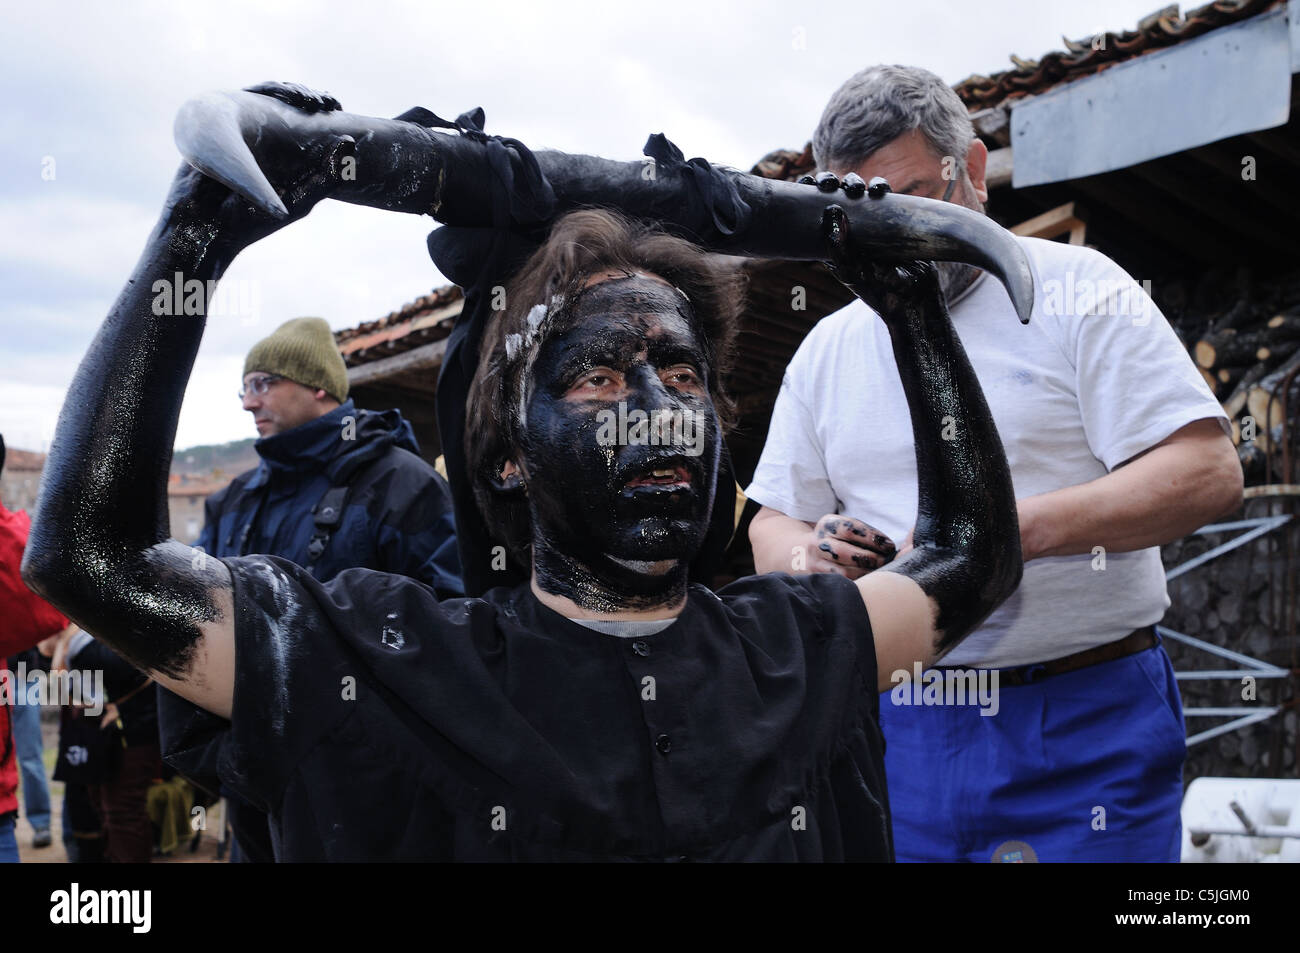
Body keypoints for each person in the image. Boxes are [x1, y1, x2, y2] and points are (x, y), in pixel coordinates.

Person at [22, 83, 1024, 860]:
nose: (655, 407)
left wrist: (912, 310)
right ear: (507, 452)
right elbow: (90, 554)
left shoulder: (802, 643)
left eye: (679, 371)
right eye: (595, 376)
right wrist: (198, 230)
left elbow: (973, 553)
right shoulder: (380, 663)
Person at [746, 64, 1243, 862]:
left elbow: (1207, 470)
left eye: (916, 198)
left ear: (973, 169)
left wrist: (1001, 535)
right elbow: (774, 517)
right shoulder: (826, 349)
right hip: (898, 718)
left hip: (1088, 716)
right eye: (862, 211)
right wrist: (814, 557)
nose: (893, 232)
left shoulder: (1084, 291)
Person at [158, 315, 464, 861]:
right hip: (253, 777)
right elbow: (197, 619)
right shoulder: (233, 500)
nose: (248, 404)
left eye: (263, 383)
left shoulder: (402, 484)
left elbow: (450, 621)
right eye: (244, 388)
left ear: (318, 386)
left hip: (371, 789)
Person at [0, 434, 71, 862]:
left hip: (20, 674)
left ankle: (42, 823)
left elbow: (51, 616)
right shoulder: (16, 538)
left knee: (29, 752)